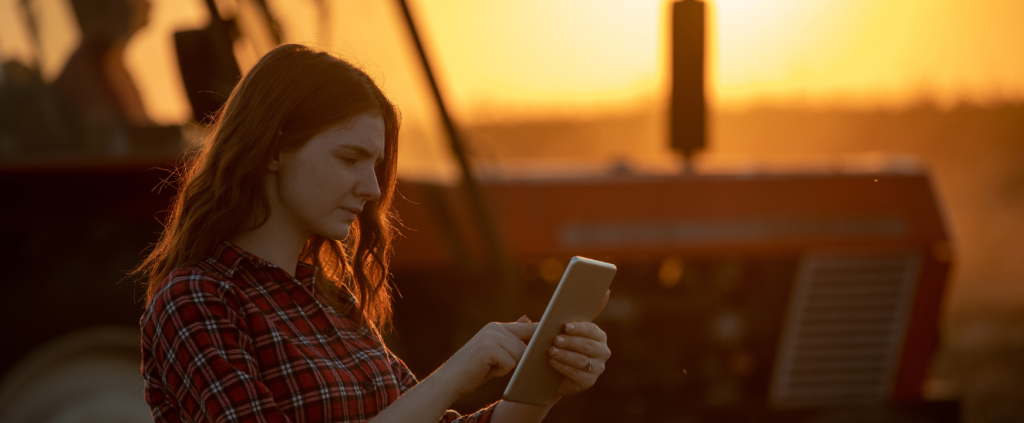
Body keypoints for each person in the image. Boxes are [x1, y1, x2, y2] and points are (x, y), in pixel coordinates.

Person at [136, 44, 611, 422]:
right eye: (350, 159)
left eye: (377, 165)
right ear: (274, 150)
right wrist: (454, 376)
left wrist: (542, 384)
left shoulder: (332, 301)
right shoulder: (196, 299)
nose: (372, 188)